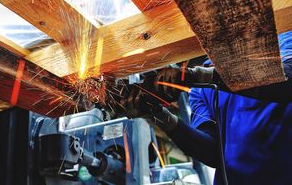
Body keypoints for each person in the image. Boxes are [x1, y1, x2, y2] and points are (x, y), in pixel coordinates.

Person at [121, 31, 292, 185]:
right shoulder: (199, 88)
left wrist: (199, 75)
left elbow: (287, 83)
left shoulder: (283, 40)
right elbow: (212, 153)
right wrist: (158, 115)